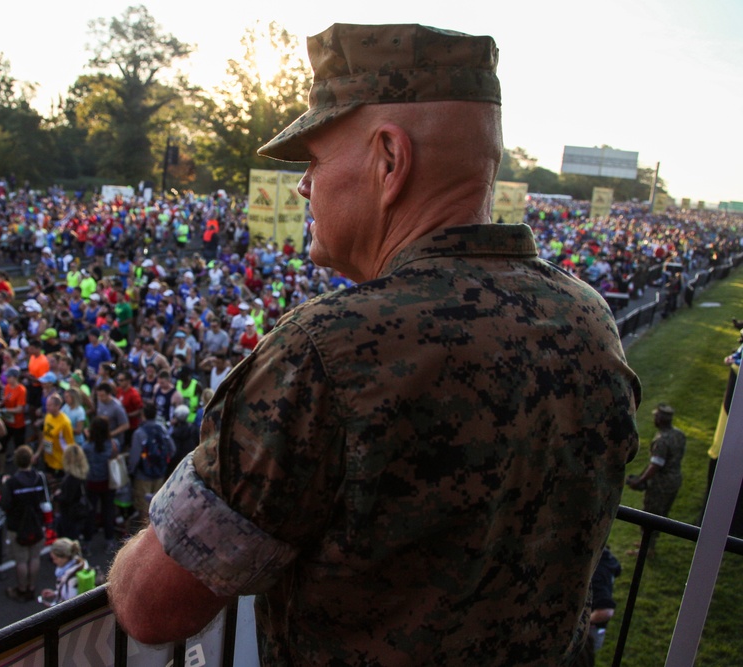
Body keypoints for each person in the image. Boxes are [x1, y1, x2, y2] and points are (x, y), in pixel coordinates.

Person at [108, 23, 641, 666]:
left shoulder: (327, 352)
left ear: (389, 160)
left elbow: (150, 606)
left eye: (314, 159)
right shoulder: (586, 316)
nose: (304, 186)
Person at [626, 404, 687, 555]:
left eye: (655, 416)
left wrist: (640, 481)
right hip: (675, 480)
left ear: (660, 420)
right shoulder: (679, 434)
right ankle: (648, 542)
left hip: (660, 484)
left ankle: (647, 549)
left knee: (650, 515)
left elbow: (656, 465)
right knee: (661, 514)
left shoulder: (661, 441)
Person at [0, 445, 48, 601]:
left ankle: (21, 589)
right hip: (37, 523)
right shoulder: (39, 477)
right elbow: (45, 502)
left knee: (21, 560)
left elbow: (5, 505)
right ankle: (31, 587)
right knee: (35, 557)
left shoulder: (12, 483)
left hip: (17, 526)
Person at [127, 402, 176, 533]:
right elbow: (172, 449)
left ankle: (145, 534)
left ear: (142, 415)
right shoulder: (162, 429)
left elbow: (134, 457)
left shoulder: (139, 433)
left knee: (144, 508)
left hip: (143, 475)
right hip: (159, 474)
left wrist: (131, 471)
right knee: (157, 506)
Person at [81, 416, 119, 548]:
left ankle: (87, 541)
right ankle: (109, 539)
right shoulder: (114, 444)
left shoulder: (86, 446)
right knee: (108, 511)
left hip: (92, 483)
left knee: (90, 512)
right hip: (108, 483)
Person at [38, 537, 90, 606]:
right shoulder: (79, 564)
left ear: (65, 557)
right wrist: (56, 593)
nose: (54, 561)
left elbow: (70, 604)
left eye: (55, 558)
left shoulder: (72, 579)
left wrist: (51, 606)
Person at [54, 441, 90, 540]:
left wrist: (56, 496)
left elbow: (66, 498)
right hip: (80, 511)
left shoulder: (70, 479)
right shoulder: (83, 473)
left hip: (69, 515)